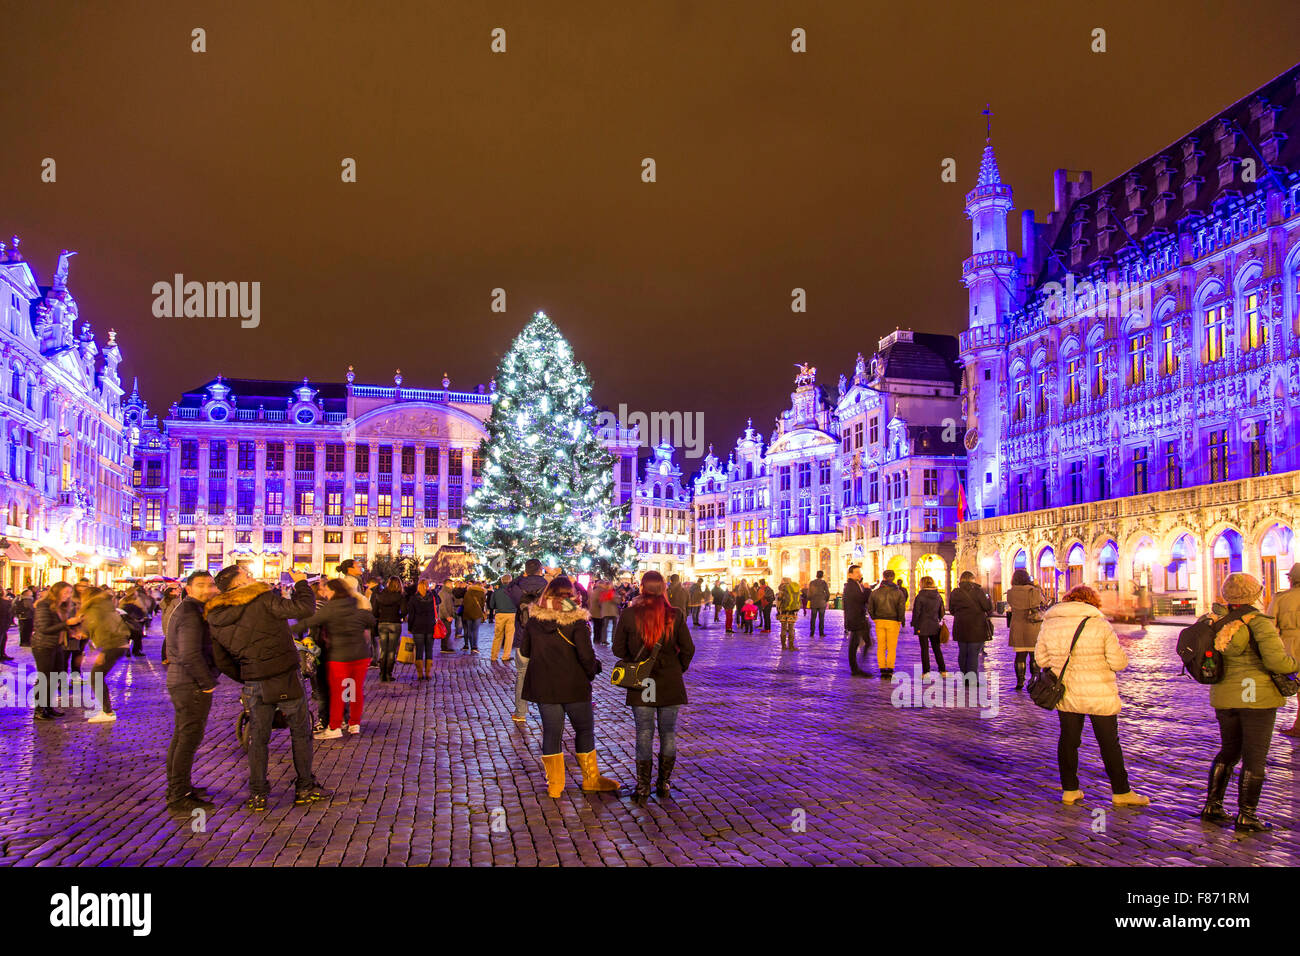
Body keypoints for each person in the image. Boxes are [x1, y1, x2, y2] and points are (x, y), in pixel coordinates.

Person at [206, 566, 328, 811]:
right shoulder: (262, 599)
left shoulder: (215, 615)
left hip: (254, 680)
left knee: (258, 739)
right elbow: (303, 609)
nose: (252, 576)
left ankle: (258, 794)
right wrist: (302, 584)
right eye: (247, 574)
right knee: (300, 733)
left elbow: (220, 660)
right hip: (284, 676)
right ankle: (305, 787)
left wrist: (247, 675)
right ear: (237, 584)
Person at [1200, 573, 1298, 831]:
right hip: (1256, 698)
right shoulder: (1258, 622)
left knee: (1229, 751)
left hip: (1224, 696)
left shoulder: (1216, 620)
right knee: (1255, 757)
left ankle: (1213, 805)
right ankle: (1247, 814)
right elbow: (1276, 662)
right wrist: (1295, 665)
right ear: (1255, 594)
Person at [1034, 585, 1148, 807]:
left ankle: (1070, 789)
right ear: (1092, 603)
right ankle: (1121, 791)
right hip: (1099, 693)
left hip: (1067, 692)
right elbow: (1118, 662)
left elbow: (1041, 660)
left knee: (1068, 741)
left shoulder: (1050, 624)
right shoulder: (1099, 625)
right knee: (1109, 743)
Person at [518, 575, 619, 797]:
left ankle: (555, 786)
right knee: (584, 730)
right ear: (571, 596)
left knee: (552, 733)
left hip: (546, 686)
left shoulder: (535, 621)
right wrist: (593, 670)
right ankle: (591, 779)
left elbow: (525, 652)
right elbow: (586, 656)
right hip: (575, 686)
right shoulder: (577, 620)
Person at [613, 570, 695, 805]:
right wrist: (677, 669)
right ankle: (664, 783)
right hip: (669, 681)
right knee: (668, 733)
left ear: (642, 588)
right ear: (663, 588)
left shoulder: (629, 614)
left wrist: (636, 662)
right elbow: (688, 649)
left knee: (644, 733)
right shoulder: (675, 615)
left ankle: (642, 787)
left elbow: (618, 649)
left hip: (642, 682)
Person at [291, 579, 378, 739]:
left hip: (340, 655)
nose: (325, 593)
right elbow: (371, 620)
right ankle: (354, 724)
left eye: (327, 590)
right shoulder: (354, 604)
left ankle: (335, 726)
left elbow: (309, 622)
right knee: (354, 690)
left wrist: (289, 630)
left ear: (334, 592)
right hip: (360, 655)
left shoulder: (331, 608)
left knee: (338, 691)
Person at [164, 571, 220, 813]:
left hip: (182, 681)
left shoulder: (190, 609)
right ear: (188, 588)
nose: (207, 589)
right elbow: (189, 654)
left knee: (182, 737)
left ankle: (179, 786)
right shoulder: (191, 614)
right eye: (201, 585)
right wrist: (206, 682)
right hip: (190, 683)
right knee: (188, 739)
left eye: (210, 585)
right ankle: (179, 794)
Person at [79, 586, 134, 722]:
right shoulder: (105, 606)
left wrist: (101, 652)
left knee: (95, 678)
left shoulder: (96, 609)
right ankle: (107, 711)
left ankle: (107, 712)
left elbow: (105, 629)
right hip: (118, 644)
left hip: (111, 645)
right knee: (97, 677)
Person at [506, 559, 549, 723]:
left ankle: (520, 712)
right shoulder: (547, 585)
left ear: (525, 570)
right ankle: (547, 711)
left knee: (522, 675)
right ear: (540, 570)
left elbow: (508, 587)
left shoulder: (517, 587)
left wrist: (520, 577)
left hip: (522, 637)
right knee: (545, 676)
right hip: (543, 637)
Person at [1266, 563, 1300, 737]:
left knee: (1297, 685)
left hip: (1291, 645)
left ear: (1291, 579)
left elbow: (1270, 626)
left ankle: (1299, 726)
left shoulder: (1281, 598)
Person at [32, 582, 73, 720]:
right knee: (44, 678)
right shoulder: (44, 605)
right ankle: (39, 709)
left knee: (56, 677)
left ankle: (48, 706)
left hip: (57, 645)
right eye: (65, 592)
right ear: (57, 592)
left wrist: (72, 630)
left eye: (69, 593)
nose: (68, 596)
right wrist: (67, 624)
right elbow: (44, 628)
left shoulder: (61, 607)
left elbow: (60, 626)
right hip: (43, 645)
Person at [949, 571, 993, 680]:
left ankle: (964, 677)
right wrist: (988, 599)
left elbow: (952, 610)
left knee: (963, 652)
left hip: (960, 626)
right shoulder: (978, 591)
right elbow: (987, 607)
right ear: (973, 580)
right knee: (973, 654)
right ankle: (972, 679)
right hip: (976, 627)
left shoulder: (955, 592)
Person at [1007, 568, 1046, 690]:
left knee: (1020, 656)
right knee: (1033, 655)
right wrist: (1037, 586)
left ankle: (1020, 681)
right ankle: (1034, 679)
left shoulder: (1010, 592)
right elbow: (1043, 602)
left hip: (1018, 626)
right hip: (1032, 625)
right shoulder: (1033, 591)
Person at [867, 569, 906, 679]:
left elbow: (870, 607)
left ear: (883, 577)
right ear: (893, 578)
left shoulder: (875, 592)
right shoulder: (898, 593)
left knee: (881, 646)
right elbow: (901, 608)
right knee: (892, 647)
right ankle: (890, 669)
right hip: (893, 621)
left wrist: (874, 617)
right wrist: (900, 620)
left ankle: (882, 669)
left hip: (879, 621)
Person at [371, 576, 406, 682]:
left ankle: (382, 673)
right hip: (395, 623)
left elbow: (374, 612)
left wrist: (381, 616)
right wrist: (399, 616)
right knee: (391, 651)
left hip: (382, 623)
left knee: (383, 650)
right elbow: (404, 611)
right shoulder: (400, 596)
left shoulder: (380, 596)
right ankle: (388, 674)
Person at [911, 575, 946, 677]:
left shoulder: (920, 596)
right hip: (934, 625)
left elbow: (916, 612)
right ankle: (942, 670)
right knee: (936, 648)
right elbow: (942, 612)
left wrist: (914, 623)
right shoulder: (938, 596)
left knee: (924, 649)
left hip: (922, 626)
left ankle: (926, 672)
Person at [843, 565, 873, 677]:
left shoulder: (853, 585)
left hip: (856, 618)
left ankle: (856, 667)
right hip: (855, 618)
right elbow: (861, 600)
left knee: (856, 643)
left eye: (860, 572)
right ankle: (855, 669)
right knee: (854, 644)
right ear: (850, 574)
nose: (859, 574)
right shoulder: (851, 586)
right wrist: (868, 589)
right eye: (856, 572)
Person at [406, 579, 438, 680]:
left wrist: (410, 628)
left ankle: (420, 674)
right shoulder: (432, 597)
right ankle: (428, 673)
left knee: (419, 650)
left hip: (417, 626)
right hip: (430, 626)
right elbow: (439, 601)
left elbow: (411, 615)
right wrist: (433, 590)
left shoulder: (413, 599)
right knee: (429, 649)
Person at [489, 574, 518, 662]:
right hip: (512, 614)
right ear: (510, 580)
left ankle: (494, 656)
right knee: (509, 636)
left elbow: (491, 605)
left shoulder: (496, 592)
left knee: (498, 635)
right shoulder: (514, 591)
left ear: (502, 581)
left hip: (500, 614)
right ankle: (506, 655)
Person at [461, 577, 486, 653]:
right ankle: (474, 646)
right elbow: (482, 604)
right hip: (477, 613)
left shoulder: (468, 592)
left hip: (467, 613)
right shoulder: (482, 593)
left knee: (469, 630)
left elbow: (464, 602)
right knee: (475, 630)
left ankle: (470, 645)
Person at [776, 576, 800, 650]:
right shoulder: (794, 588)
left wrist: (778, 611)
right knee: (791, 628)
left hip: (783, 611)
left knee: (783, 628)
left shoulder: (782, 589)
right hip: (793, 611)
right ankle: (791, 646)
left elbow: (778, 601)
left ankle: (783, 646)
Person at [436, 581, 458, 653]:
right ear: (447, 584)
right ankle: (444, 647)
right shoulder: (442, 593)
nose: (452, 585)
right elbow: (442, 606)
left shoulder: (449, 593)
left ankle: (446, 646)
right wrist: (447, 616)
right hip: (444, 616)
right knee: (446, 632)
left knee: (448, 631)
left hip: (449, 615)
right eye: (451, 584)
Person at [807, 570, 830, 637]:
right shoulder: (823, 583)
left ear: (816, 575)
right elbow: (827, 593)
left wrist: (810, 598)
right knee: (821, 618)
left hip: (814, 602)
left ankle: (812, 632)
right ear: (822, 576)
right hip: (822, 603)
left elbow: (809, 593)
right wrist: (826, 599)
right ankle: (821, 633)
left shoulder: (812, 583)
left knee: (813, 618)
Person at [0, 589, 13, 662]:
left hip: (3, 626)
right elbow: (9, 615)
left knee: (3, 639)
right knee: (3, 639)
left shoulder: (6, 602)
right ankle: (2, 655)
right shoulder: (6, 602)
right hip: (2, 626)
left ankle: (2, 655)